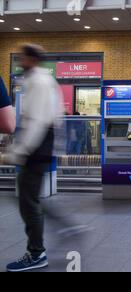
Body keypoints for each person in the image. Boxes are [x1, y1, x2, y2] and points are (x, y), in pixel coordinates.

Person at [2, 44, 64, 272]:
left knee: (28, 202)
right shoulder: (37, 80)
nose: (19, 61)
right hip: (38, 149)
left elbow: (36, 123)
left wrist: (18, 152)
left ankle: (37, 253)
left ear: (31, 59)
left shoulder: (39, 82)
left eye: (22, 57)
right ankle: (60, 230)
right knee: (29, 199)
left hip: (35, 150)